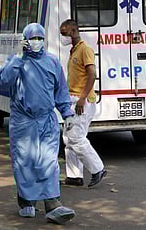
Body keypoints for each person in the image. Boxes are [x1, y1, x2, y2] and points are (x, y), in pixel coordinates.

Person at [0, 23, 76, 225]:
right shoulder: (16, 62)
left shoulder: (52, 62)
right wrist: (18, 57)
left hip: (47, 121)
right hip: (23, 122)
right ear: (25, 40)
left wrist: (67, 113)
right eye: (33, 38)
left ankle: (53, 204)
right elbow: (5, 81)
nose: (37, 42)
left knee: (48, 161)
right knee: (25, 163)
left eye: (40, 38)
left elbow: (61, 91)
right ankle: (26, 200)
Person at [59, 19, 107, 188]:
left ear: (73, 31)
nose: (62, 36)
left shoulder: (85, 50)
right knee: (68, 139)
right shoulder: (74, 51)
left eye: (64, 33)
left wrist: (82, 98)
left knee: (76, 138)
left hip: (81, 101)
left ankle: (97, 169)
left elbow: (92, 74)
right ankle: (74, 176)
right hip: (73, 99)